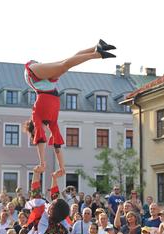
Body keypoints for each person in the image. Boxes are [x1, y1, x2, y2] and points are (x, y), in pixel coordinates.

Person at [24, 39, 116, 175]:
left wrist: (42, 163)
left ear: (34, 129)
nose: (45, 132)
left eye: (40, 132)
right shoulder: (52, 123)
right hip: (49, 84)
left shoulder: (36, 117)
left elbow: (40, 140)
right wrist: (62, 168)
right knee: (66, 63)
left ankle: (97, 54)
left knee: (64, 64)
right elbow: (57, 146)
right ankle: (96, 47)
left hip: (33, 75)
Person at [26, 166, 71, 234]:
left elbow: (36, 196)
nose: (48, 204)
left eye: (50, 204)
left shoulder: (41, 222)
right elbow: (56, 200)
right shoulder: (63, 227)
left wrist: (36, 173)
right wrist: (54, 178)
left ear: (50, 210)